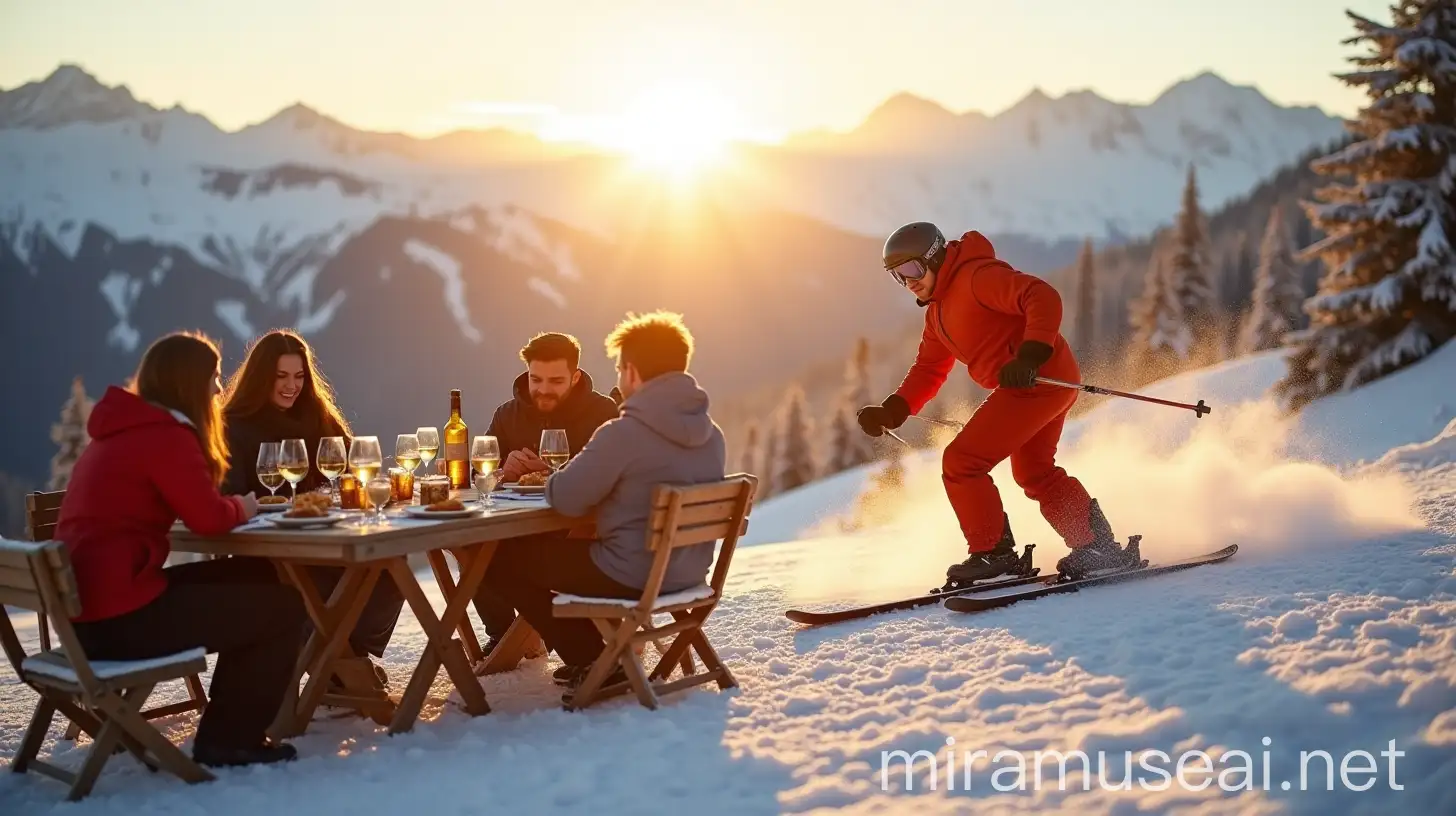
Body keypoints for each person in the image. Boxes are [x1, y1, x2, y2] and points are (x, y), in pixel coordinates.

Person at [55, 331, 306, 768]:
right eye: (212, 378)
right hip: (119, 620)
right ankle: (229, 740)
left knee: (254, 576)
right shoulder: (163, 435)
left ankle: (230, 725)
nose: (216, 388)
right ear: (189, 382)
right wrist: (245, 504)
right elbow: (208, 519)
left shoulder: (125, 430)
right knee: (283, 607)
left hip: (92, 610)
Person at [855, 222, 1140, 584]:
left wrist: (1031, 353)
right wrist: (894, 409)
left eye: (911, 268)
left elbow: (1042, 296)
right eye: (897, 275)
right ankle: (1098, 549)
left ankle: (994, 556)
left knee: (962, 461)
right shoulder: (937, 314)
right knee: (1034, 472)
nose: (907, 280)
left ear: (935, 257)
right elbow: (928, 368)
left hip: (1039, 380)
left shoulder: (976, 277)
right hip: (1041, 384)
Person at [477, 311, 726, 702]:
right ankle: (595, 654)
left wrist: (554, 472)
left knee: (497, 560)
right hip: (688, 570)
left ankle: (596, 656)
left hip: (630, 573)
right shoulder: (710, 434)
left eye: (618, 369)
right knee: (538, 557)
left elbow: (564, 496)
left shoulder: (624, 432)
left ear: (631, 373)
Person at [220, 329, 404, 687]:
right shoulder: (234, 426)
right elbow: (228, 493)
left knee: (391, 567)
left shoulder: (319, 417)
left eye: (300, 376)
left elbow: (353, 472)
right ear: (261, 378)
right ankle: (340, 666)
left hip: (328, 539)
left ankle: (345, 657)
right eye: (282, 376)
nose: (292, 386)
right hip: (268, 550)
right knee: (301, 585)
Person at [471, 331, 620, 652]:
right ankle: (505, 634)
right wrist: (502, 472)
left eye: (555, 381)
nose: (543, 389)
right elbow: (478, 476)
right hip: (518, 524)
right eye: (536, 379)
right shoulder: (507, 415)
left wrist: (558, 473)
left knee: (499, 560)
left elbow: (614, 479)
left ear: (575, 376)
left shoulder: (602, 413)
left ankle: (557, 639)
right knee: (472, 547)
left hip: (578, 531)